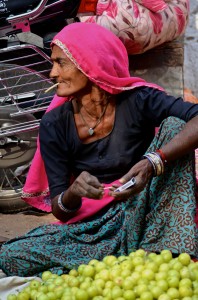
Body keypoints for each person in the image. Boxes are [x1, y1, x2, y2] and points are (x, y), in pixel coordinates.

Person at [0, 22, 198, 277]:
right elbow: (59, 208)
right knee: (10, 255)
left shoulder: (138, 99)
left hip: (147, 213)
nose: (52, 73)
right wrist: (73, 192)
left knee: (175, 127)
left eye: (61, 63)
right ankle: (127, 255)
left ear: (89, 63)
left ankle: (158, 248)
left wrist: (153, 161)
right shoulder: (54, 124)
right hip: (94, 229)